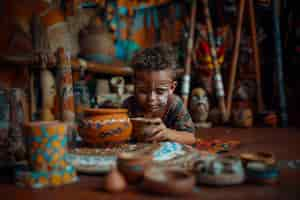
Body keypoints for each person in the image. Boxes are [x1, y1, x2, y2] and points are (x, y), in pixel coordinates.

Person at [123, 44, 196, 145]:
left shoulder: (174, 104)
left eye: (160, 91)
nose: (151, 98)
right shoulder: (128, 106)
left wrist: (167, 133)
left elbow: (190, 137)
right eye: (143, 91)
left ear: (172, 88)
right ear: (134, 85)